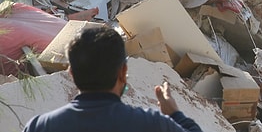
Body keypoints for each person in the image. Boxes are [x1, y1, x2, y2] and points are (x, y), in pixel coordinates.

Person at [23, 26, 202, 132]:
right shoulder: (152, 124)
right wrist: (174, 114)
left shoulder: (40, 127)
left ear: (71, 73)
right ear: (123, 72)